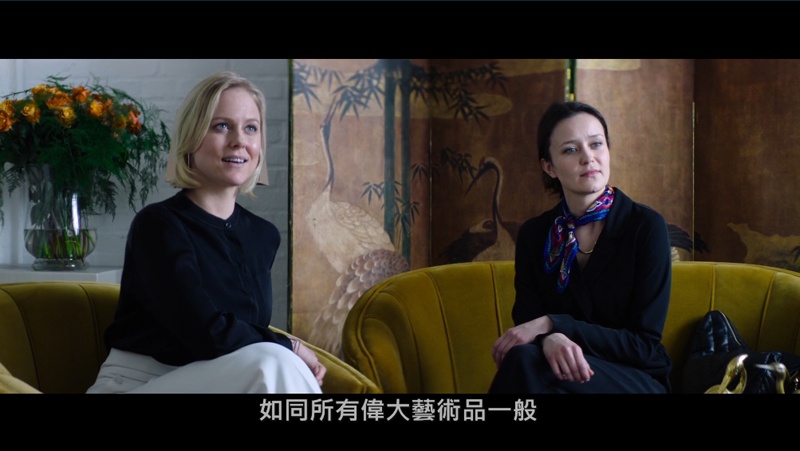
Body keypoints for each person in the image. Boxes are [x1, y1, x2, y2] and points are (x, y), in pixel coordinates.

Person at [87, 71, 326, 393]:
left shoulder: (263, 235)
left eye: (251, 128)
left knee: (273, 361)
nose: (239, 140)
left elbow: (245, 333)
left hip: (227, 377)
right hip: (138, 383)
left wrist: (284, 349)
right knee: (272, 362)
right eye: (222, 126)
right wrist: (290, 346)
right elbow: (206, 333)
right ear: (192, 137)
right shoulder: (158, 226)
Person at [488, 101, 672, 394]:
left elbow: (643, 345)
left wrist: (554, 325)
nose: (589, 158)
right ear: (549, 167)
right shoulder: (535, 235)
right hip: (554, 373)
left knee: (526, 364)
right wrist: (550, 338)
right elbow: (527, 320)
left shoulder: (645, 227)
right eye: (571, 150)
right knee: (527, 360)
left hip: (633, 376)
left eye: (596, 144)